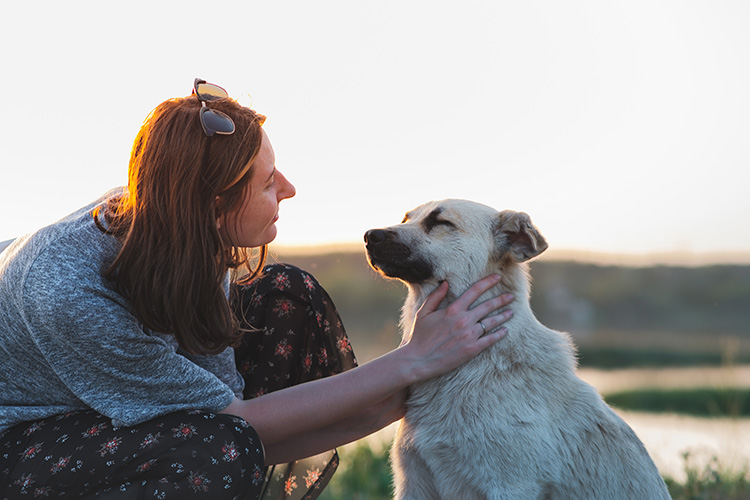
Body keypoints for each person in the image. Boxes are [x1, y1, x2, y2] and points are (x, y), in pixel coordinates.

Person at [0, 79, 515, 499]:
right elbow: (234, 426)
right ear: (215, 205)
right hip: (20, 440)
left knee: (288, 295)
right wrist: (411, 360)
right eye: (268, 183)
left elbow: (230, 406)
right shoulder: (67, 291)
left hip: (117, 408)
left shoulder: (187, 235)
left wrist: (394, 401)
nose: (288, 189)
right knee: (214, 452)